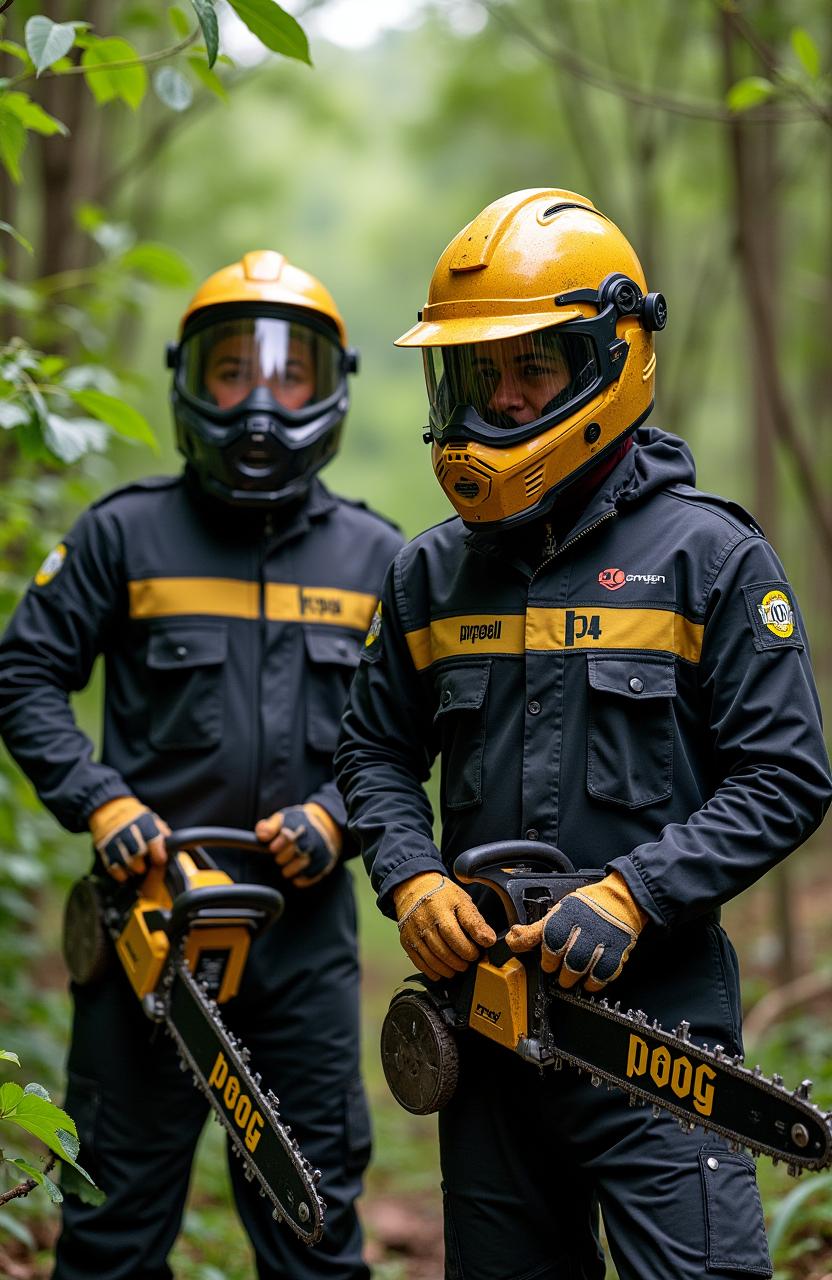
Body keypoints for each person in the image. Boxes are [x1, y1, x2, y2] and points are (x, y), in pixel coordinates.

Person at [334, 189, 832, 1280]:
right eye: (478, 373)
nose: (500, 398)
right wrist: (412, 880)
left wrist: (635, 891)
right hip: (489, 1036)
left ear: (610, 361)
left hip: (656, 1031)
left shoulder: (709, 558)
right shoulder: (428, 572)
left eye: (534, 368)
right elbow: (370, 751)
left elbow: (787, 773)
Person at [0, 249, 403, 1280]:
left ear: (329, 383)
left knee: (312, 1222)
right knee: (113, 1224)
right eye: (233, 370)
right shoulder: (124, 533)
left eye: (288, 372)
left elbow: (410, 733)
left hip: (302, 951)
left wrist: (337, 813)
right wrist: (97, 800)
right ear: (191, 379)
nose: (259, 398)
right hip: (149, 935)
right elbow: (24, 673)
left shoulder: (378, 559)